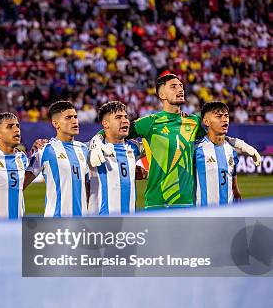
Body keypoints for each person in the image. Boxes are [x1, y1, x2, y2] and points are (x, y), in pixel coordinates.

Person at [88, 73, 261, 209]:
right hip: (157, 200)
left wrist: (241, 145)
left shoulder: (192, 122)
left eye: (181, 86)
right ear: (161, 94)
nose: (180, 89)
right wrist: (96, 143)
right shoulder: (149, 123)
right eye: (173, 86)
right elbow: (113, 129)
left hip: (187, 202)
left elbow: (215, 137)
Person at [25, 100, 89, 217]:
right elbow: (20, 185)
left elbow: (87, 187)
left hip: (82, 223)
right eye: (68, 118)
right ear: (56, 124)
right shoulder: (44, 149)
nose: (74, 121)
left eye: (75, 117)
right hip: (55, 222)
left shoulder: (84, 149)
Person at [88, 101, 147, 215]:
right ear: (105, 124)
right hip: (102, 222)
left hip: (130, 222)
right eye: (118, 117)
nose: (125, 121)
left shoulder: (134, 148)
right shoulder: (92, 149)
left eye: (126, 117)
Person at [194, 101, 241, 206]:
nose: (225, 120)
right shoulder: (196, 149)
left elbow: (234, 187)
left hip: (228, 216)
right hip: (202, 216)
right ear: (206, 122)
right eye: (219, 116)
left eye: (226, 116)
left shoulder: (232, 151)